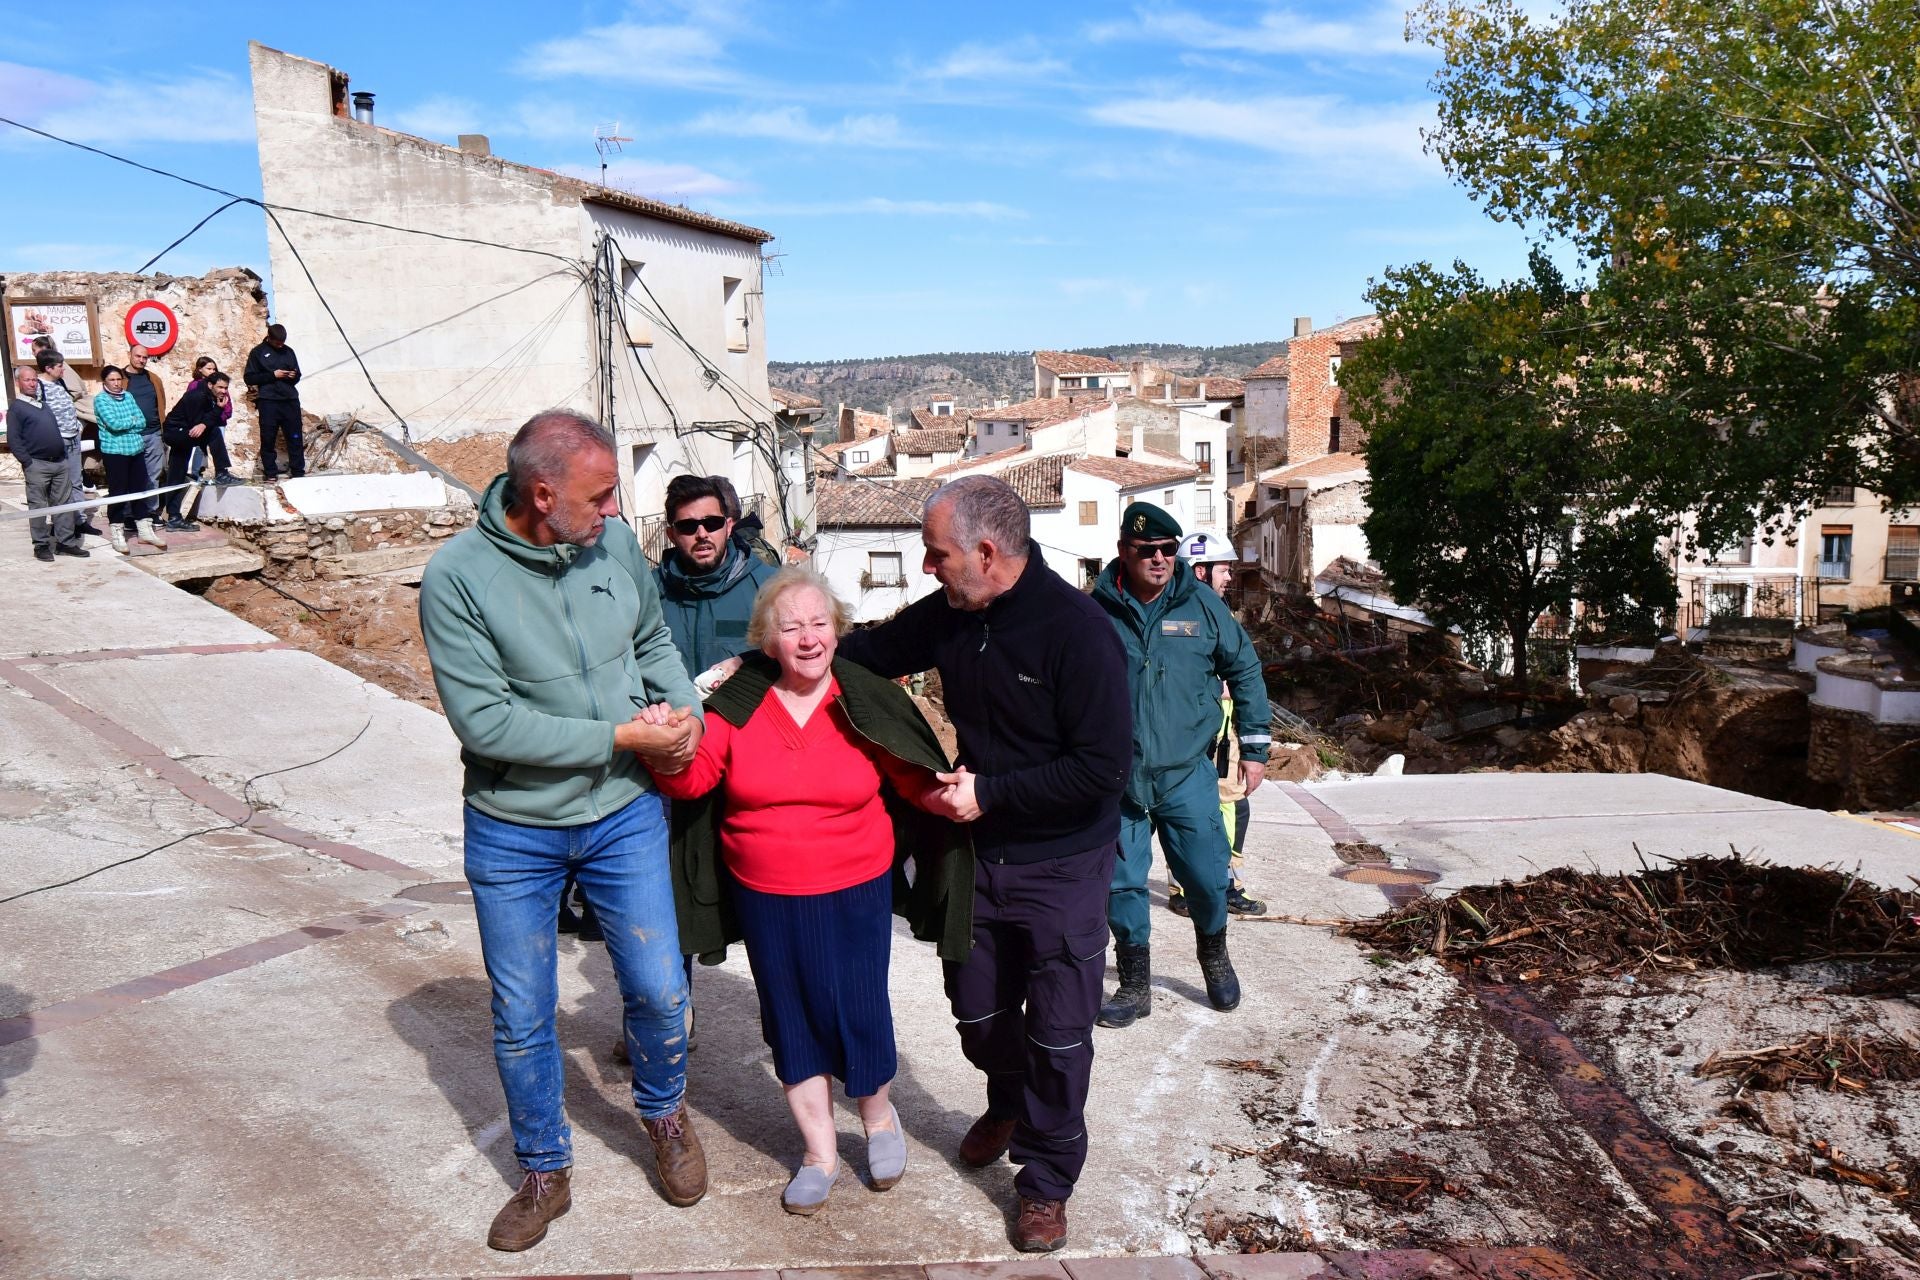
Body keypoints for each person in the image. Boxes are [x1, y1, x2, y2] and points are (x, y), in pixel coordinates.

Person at [418, 409, 710, 1252]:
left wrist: (684, 713)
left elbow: (651, 640)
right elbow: (487, 725)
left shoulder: (611, 546)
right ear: (542, 495)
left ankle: (664, 1114)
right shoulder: (457, 579)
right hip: (515, 827)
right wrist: (622, 737)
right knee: (522, 1012)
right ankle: (544, 1170)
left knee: (659, 987)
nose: (616, 511)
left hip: (622, 812)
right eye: (601, 494)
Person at [834, 474, 1132, 1253]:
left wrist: (991, 793)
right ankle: (1008, 1099)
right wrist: (765, 658)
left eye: (937, 554)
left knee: (1059, 1036)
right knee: (977, 1015)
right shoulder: (949, 614)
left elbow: (1103, 769)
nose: (927, 567)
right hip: (975, 856)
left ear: (987, 552)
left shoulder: (1080, 633)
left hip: (1064, 864)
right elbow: (860, 655)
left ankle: (1045, 1181)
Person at [655, 567, 971, 1214]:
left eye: (820, 623)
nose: (808, 638)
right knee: (790, 1016)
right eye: (792, 626)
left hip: (855, 885)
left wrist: (946, 798)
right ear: (767, 640)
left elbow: (910, 777)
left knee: (858, 1006)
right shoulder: (737, 703)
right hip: (766, 893)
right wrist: (662, 745)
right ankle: (818, 1153)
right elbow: (692, 782)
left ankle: (878, 1121)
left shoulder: (861, 698)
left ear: (837, 630)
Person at [1090, 504, 1271, 1030]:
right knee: (1121, 885)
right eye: (1147, 550)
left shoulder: (1202, 605)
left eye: (1169, 549)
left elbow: (1245, 670)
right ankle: (1134, 983)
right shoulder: (1094, 610)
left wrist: (1254, 749)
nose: (1160, 559)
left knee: (1208, 879)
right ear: (1124, 551)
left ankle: (1214, 956)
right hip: (1118, 779)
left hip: (1186, 773)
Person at [1167, 532, 1267, 919]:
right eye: (1224, 570)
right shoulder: (1174, 614)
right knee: (1189, 812)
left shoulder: (1217, 612)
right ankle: (1191, 887)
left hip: (1223, 736)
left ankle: (1224, 883)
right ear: (1200, 571)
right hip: (1191, 739)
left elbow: (1244, 672)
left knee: (1232, 809)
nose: (1229, 578)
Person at [656, 473, 778, 686]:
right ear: (671, 535)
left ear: (729, 526)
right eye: (688, 526)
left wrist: (747, 663)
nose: (702, 534)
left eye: (712, 523)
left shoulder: (772, 589)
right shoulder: (647, 592)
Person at [8, 365, 88, 561]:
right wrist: (28, 462)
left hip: (59, 463)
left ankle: (65, 542)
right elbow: (14, 440)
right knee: (39, 507)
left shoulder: (43, 405)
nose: (32, 383)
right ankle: (41, 545)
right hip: (37, 465)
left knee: (63, 505)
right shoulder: (17, 408)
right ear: (18, 382)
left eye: (34, 379)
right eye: (27, 380)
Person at [92, 366, 165, 554]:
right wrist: (131, 422)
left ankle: (144, 529)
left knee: (140, 489)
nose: (116, 383)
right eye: (112, 380)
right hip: (115, 451)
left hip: (135, 448)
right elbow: (114, 424)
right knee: (118, 492)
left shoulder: (129, 396)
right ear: (105, 382)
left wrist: (130, 423)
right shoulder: (101, 400)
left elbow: (142, 421)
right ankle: (117, 530)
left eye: (118, 379)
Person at [159, 374, 243, 531]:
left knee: (177, 473)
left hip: (184, 432)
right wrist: (211, 416)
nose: (223, 391)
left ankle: (174, 517)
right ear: (210, 385)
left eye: (225, 388)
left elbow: (208, 421)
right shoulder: (197, 396)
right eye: (220, 387)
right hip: (177, 433)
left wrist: (216, 411)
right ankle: (221, 473)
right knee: (214, 433)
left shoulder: (210, 397)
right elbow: (198, 423)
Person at [36, 351, 101, 538]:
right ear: (48, 368)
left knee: (76, 481)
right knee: (59, 485)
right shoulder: (39, 387)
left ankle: (79, 520)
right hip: (56, 442)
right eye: (59, 366)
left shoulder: (60, 383)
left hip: (73, 439)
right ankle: (61, 524)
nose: (63, 369)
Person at [243, 323, 303, 481]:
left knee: (295, 436)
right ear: (269, 338)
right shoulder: (258, 352)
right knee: (268, 438)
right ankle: (270, 472)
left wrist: (294, 376)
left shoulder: (289, 351)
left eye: (283, 342)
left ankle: (298, 471)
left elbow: (298, 374)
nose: (281, 345)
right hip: (269, 401)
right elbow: (249, 378)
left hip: (290, 400)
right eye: (277, 342)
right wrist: (273, 375)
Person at [123, 344, 168, 506]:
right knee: (130, 475)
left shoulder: (153, 379)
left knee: (153, 475)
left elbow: (161, 403)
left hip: (153, 433)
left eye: (145, 357)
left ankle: (151, 510)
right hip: (129, 436)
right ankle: (129, 511)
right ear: (129, 355)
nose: (141, 360)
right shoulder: (119, 379)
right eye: (138, 356)